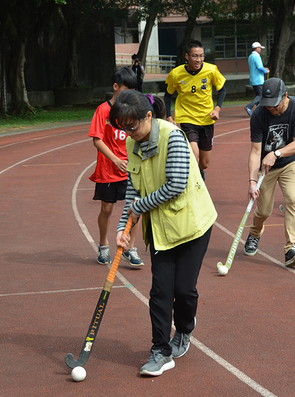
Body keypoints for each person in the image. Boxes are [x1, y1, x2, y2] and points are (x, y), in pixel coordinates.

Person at [111, 90, 217, 376]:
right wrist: (124, 227)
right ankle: (160, 350)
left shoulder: (173, 137)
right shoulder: (133, 146)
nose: (129, 133)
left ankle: (183, 329)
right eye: (123, 128)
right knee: (160, 292)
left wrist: (138, 208)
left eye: (132, 126)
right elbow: (133, 191)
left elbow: (176, 185)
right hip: (160, 230)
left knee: (184, 290)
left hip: (193, 225)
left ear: (149, 116)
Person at [243, 78, 295, 267]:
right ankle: (254, 233)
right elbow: (255, 151)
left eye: (275, 105)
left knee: (292, 199)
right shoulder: (258, 115)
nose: (272, 109)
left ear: (285, 96)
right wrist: (252, 181)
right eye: (268, 106)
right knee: (263, 211)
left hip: (289, 163)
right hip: (266, 168)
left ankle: (291, 248)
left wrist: (276, 153)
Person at [88, 66, 144, 266]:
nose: (129, 94)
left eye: (132, 91)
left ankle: (131, 247)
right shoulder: (103, 110)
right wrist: (116, 160)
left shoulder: (132, 110)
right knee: (107, 209)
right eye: (125, 89)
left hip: (131, 169)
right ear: (115, 86)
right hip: (109, 169)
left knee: (136, 208)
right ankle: (103, 245)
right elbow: (97, 139)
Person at [164, 39, 227, 180]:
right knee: (194, 153)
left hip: (206, 119)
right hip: (187, 118)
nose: (199, 59)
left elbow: (222, 89)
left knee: (204, 163)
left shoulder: (211, 70)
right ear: (187, 56)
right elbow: (167, 95)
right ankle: (195, 183)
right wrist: (169, 116)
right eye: (195, 56)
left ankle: (200, 172)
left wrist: (217, 109)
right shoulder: (176, 74)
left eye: (201, 56)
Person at [244, 41, 269, 116]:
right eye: (260, 48)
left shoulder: (251, 56)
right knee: (261, 95)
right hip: (258, 79)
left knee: (259, 95)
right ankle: (249, 106)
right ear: (257, 48)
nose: (260, 50)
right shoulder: (256, 56)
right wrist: (266, 71)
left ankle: (259, 111)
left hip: (253, 79)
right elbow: (259, 67)